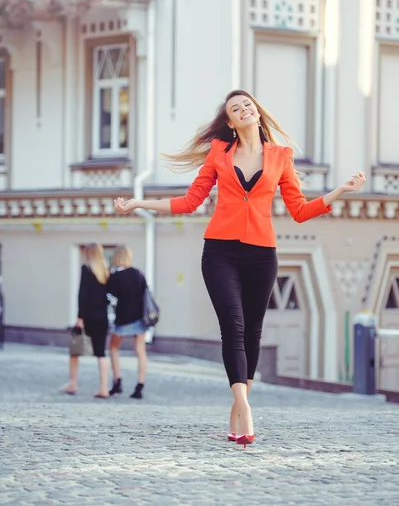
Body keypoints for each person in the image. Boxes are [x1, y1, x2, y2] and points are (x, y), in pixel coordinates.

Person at [113, 89, 366, 446]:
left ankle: (236, 408)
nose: (244, 109)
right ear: (230, 122)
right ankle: (244, 406)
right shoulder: (219, 153)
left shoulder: (280, 156)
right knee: (232, 324)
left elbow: (299, 210)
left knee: (253, 332)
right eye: (236, 108)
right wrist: (138, 202)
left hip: (262, 255)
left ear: (258, 114)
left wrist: (340, 190)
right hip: (220, 253)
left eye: (248, 104)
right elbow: (189, 202)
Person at [62, 243, 110, 398]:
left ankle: (73, 383)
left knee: (75, 351)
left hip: (88, 316)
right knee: (101, 353)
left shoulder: (86, 269)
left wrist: (80, 317)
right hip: (102, 316)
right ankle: (104, 388)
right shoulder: (106, 272)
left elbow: (83, 294)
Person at [107, 245, 149, 399]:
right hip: (140, 318)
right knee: (140, 351)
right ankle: (139, 385)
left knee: (113, 348)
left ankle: (117, 381)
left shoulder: (115, 276)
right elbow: (145, 293)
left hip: (123, 318)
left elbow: (110, 299)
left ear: (117, 257)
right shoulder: (138, 273)